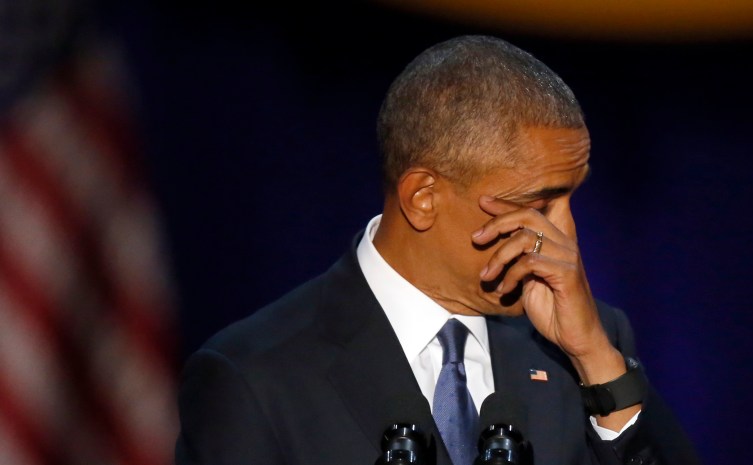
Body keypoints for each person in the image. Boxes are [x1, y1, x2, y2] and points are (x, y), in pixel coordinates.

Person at [175, 35, 700, 465]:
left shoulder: (591, 345)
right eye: (536, 204)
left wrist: (597, 363)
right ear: (423, 198)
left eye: (570, 199)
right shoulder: (254, 377)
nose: (564, 236)